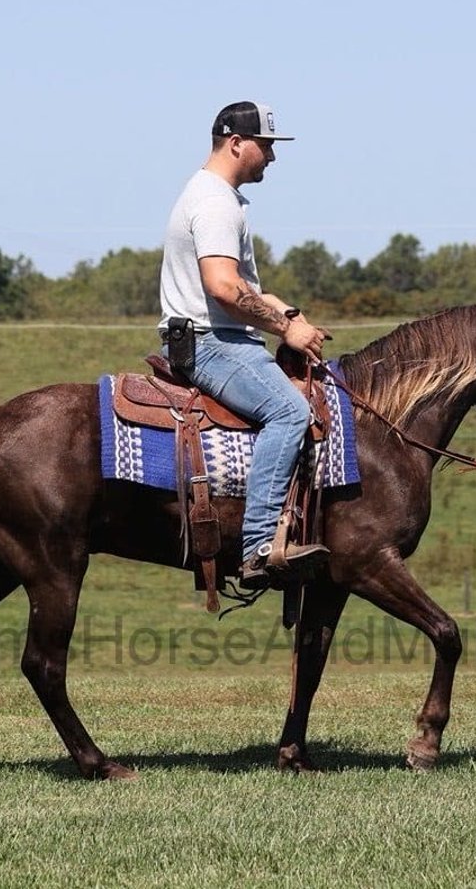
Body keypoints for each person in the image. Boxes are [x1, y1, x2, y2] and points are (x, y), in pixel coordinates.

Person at [159, 100, 331, 590]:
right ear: (236, 143)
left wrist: (288, 314)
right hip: (212, 342)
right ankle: (259, 547)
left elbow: (246, 288)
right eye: (267, 146)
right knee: (290, 413)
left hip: (220, 336)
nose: (272, 158)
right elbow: (223, 288)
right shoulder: (214, 202)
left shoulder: (220, 197)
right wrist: (284, 331)